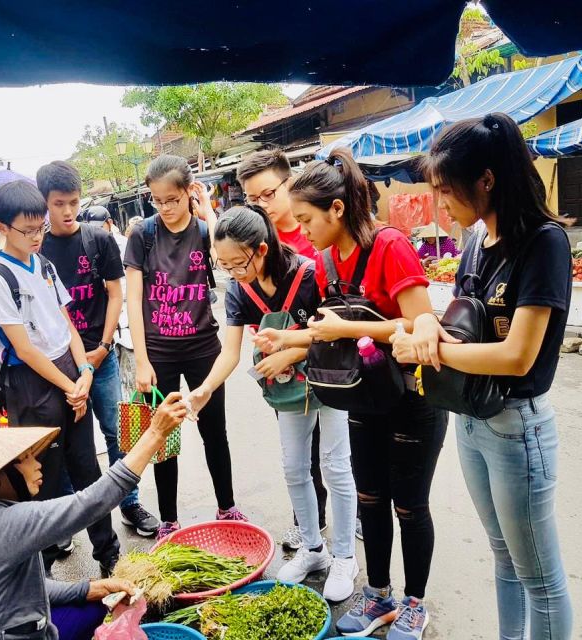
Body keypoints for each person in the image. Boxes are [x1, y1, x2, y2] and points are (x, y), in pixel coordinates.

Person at [391, 113, 573, 639]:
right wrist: (425, 325)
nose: (440, 204)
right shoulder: (475, 241)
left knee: (540, 578)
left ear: (487, 180)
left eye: (446, 191)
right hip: (472, 419)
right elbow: (461, 321)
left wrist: (431, 354)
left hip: (519, 427)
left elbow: (517, 356)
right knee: (504, 558)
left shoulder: (543, 243)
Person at [276, 148, 448, 640]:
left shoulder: (390, 245)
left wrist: (345, 328)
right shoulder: (327, 261)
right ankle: (377, 595)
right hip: (365, 398)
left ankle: (414, 603)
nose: (302, 231)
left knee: (410, 507)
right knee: (370, 499)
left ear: (336, 209)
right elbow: (335, 332)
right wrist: (290, 340)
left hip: (413, 399)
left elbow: (419, 326)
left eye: (306, 219)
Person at [185, 205, 359, 602]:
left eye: (237, 263)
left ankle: (346, 556)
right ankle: (313, 549)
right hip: (286, 391)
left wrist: (289, 353)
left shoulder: (309, 273)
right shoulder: (238, 291)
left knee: (334, 465)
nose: (231, 272)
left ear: (261, 249)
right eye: (223, 264)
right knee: (294, 466)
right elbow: (229, 353)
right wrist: (206, 388)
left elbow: (335, 335)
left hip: (329, 381)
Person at [0, 393, 186, 640]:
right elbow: (91, 503)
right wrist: (154, 434)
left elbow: (35, 587)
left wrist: (92, 588)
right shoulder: (5, 524)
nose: (37, 464)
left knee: (95, 604)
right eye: (25, 459)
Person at [0, 180, 120, 576]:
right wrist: (70, 386)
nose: (37, 236)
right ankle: (39, 575)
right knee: (40, 479)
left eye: (40, 227)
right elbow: (23, 350)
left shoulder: (43, 265)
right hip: (32, 386)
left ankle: (108, 554)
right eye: (28, 230)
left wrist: (86, 372)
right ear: (2, 228)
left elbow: (68, 326)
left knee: (88, 470)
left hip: (71, 372)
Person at [123, 154, 246, 540]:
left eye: (173, 199)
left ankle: (226, 506)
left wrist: (208, 210)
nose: (165, 208)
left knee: (214, 431)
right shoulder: (142, 235)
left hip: (202, 347)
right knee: (163, 436)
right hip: (158, 350)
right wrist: (141, 360)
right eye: (157, 200)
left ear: (188, 193)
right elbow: (134, 301)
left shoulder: (204, 230)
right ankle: (169, 519)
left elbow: (223, 261)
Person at [38, 161, 160, 537]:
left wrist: (104, 346)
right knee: (64, 442)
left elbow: (115, 293)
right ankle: (66, 521)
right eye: (59, 203)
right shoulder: (37, 248)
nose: (68, 211)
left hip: (101, 356)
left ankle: (130, 502)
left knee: (115, 431)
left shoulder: (98, 239)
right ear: (45, 203)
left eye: (74, 201)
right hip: (60, 364)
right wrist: (79, 361)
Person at [236, 149, 333, 551]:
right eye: (252, 199)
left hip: (324, 359)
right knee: (299, 453)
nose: (262, 205)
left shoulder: (317, 237)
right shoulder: (257, 242)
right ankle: (309, 521)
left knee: (337, 448)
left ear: (289, 183)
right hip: (280, 369)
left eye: (268, 194)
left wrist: (292, 350)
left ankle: (351, 514)